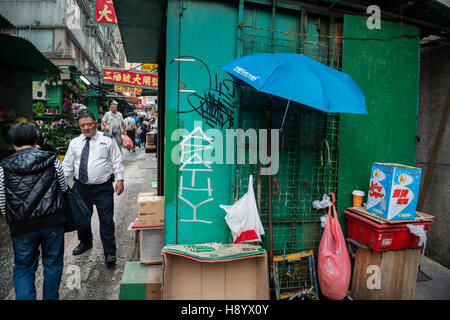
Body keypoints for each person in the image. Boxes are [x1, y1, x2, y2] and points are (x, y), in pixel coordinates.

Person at [0, 122, 68, 300]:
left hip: (21, 227)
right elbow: (63, 187)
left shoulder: (3, 166)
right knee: (52, 265)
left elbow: (2, 200)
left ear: (12, 143)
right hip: (52, 222)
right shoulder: (51, 159)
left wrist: (12, 222)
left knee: (23, 268)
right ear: (36, 140)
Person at [62, 112, 124, 266]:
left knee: (106, 221)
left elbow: (117, 160)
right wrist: (57, 183)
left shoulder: (107, 140)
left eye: (89, 124)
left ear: (96, 123)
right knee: (82, 218)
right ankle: (85, 242)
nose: (86, 127)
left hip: (103, 188)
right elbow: (67, 166)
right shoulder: (75, 143)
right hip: (81, 188)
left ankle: (110, 252)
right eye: (82, 125)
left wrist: (120, 179)